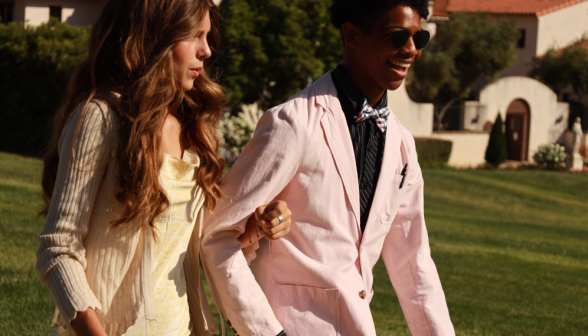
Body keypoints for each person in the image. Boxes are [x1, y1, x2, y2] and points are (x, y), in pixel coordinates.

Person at [35, 0, 292, 335]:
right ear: (154, 37)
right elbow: (58, 247)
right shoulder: (99, 119)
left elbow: (186, 244)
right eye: (194, 36)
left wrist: (257, 226)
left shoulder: (195, 127)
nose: (207, 50)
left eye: (208, 36)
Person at [200, 0, 455, 335]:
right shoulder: (292, 124)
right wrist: (264, 331)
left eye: (418, 39)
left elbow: (413, 262)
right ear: (352, 35)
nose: (410, 50)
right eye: (397, 37)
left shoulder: (402, 144)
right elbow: (218, 233)